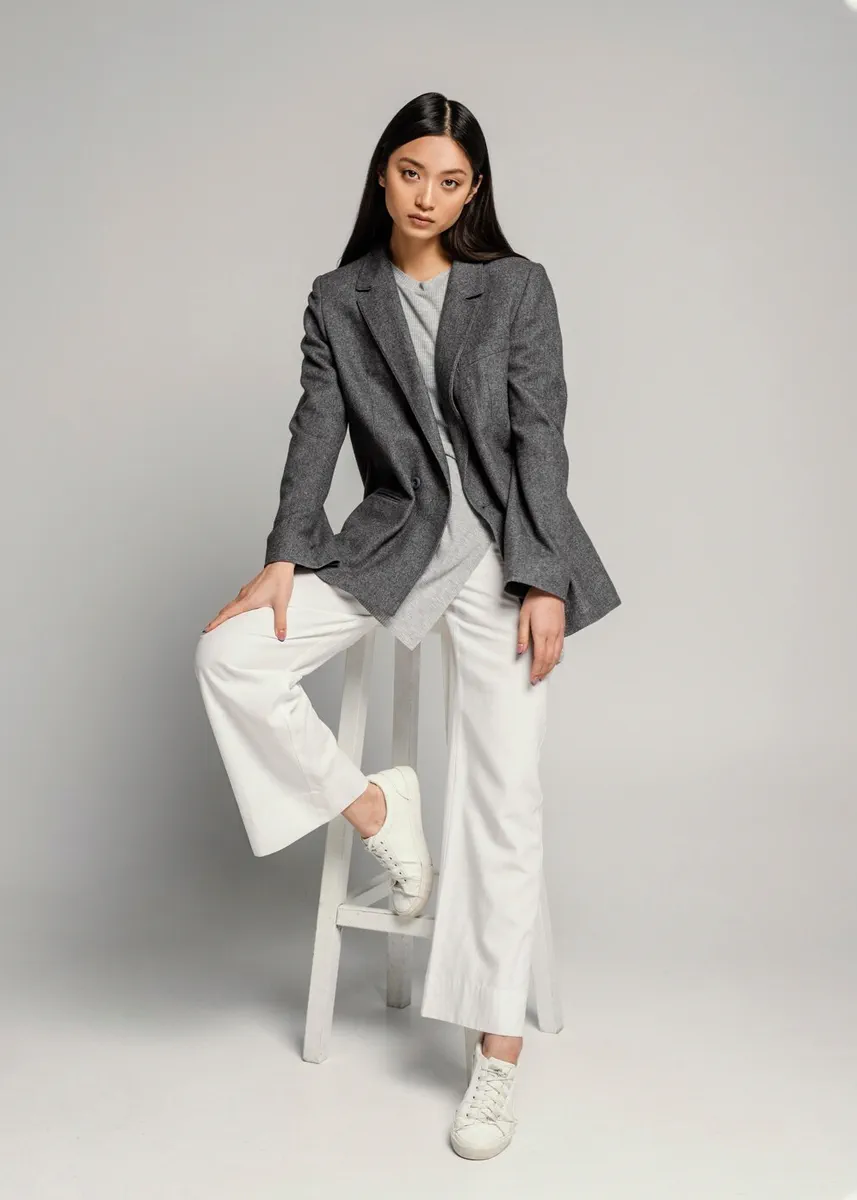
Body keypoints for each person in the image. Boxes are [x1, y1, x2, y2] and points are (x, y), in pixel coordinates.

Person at [194, 90, 621, 1161]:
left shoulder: (515, 287)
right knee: (230, 655)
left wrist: (544, 578)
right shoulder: (339, 298)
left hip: (502, 559)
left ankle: (494, 1054)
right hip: (390, 546)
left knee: (504, 797)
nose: (427, 196)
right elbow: (314, 430)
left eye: (450, 180)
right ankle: (377, 810)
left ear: (474, 192)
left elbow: (540, 439)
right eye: (410, 172)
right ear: (380, 175)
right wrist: (284, 554)